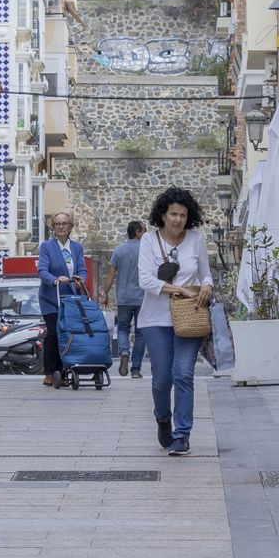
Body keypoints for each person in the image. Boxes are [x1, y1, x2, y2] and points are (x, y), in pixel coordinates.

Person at [138, 187, 214, 455]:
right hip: (155, 319)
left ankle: (182, 435)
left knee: (183, 374)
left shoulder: (196, 240)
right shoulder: (149, 241)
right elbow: (145, 280)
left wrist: (205, 286)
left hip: (189, 316)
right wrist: (179, 289)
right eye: (173, 214)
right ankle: (162, 417)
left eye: (183, 215)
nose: (178, 219)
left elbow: (206, 273)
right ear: (163, 215)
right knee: (161, 379)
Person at [37, 213, 88, 386]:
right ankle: (50, 372)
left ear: (70, 226)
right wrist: (55, 280)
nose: (61, 226)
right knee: (54, 333)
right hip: (51, 298)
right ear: (53, 227)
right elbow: (42, 270)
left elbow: (82, 270)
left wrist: (80, 278)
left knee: (68, 333)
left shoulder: (77, 248)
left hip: (70, 299)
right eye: (57, 223)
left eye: (64, 223)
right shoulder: (47, 247)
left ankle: (65, 369)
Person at [100, 220, 147, 378]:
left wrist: (105, 294)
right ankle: (136, 370)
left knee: (123, 329)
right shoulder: (147, 250)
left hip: (124, 298)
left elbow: (111, 274)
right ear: (138, 232)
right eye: (144, 231)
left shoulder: (119, 250)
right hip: (143, 298)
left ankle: (124, 351)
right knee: (141, 333)